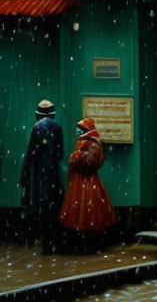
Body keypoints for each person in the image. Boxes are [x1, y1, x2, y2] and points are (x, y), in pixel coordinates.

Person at [59, 117, 117, 251]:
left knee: (84, 211)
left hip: (85, 182)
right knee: (85, 210)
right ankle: (86, 241)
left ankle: (85, 241)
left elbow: (90, 161)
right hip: (85, 182)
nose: (77, 132)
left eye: (79, 129)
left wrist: (76, 157)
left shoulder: (92, 143)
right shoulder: (89, 142)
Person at [20, 99, 64, 254]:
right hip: (52, 175)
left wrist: (24, 174)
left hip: (38, 175)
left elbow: (30, 153)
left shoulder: (37, 128)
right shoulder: (57, 127)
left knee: (40, 209)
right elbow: (60, 153)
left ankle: (42, 243)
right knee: (53, 208)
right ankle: (53, 243)